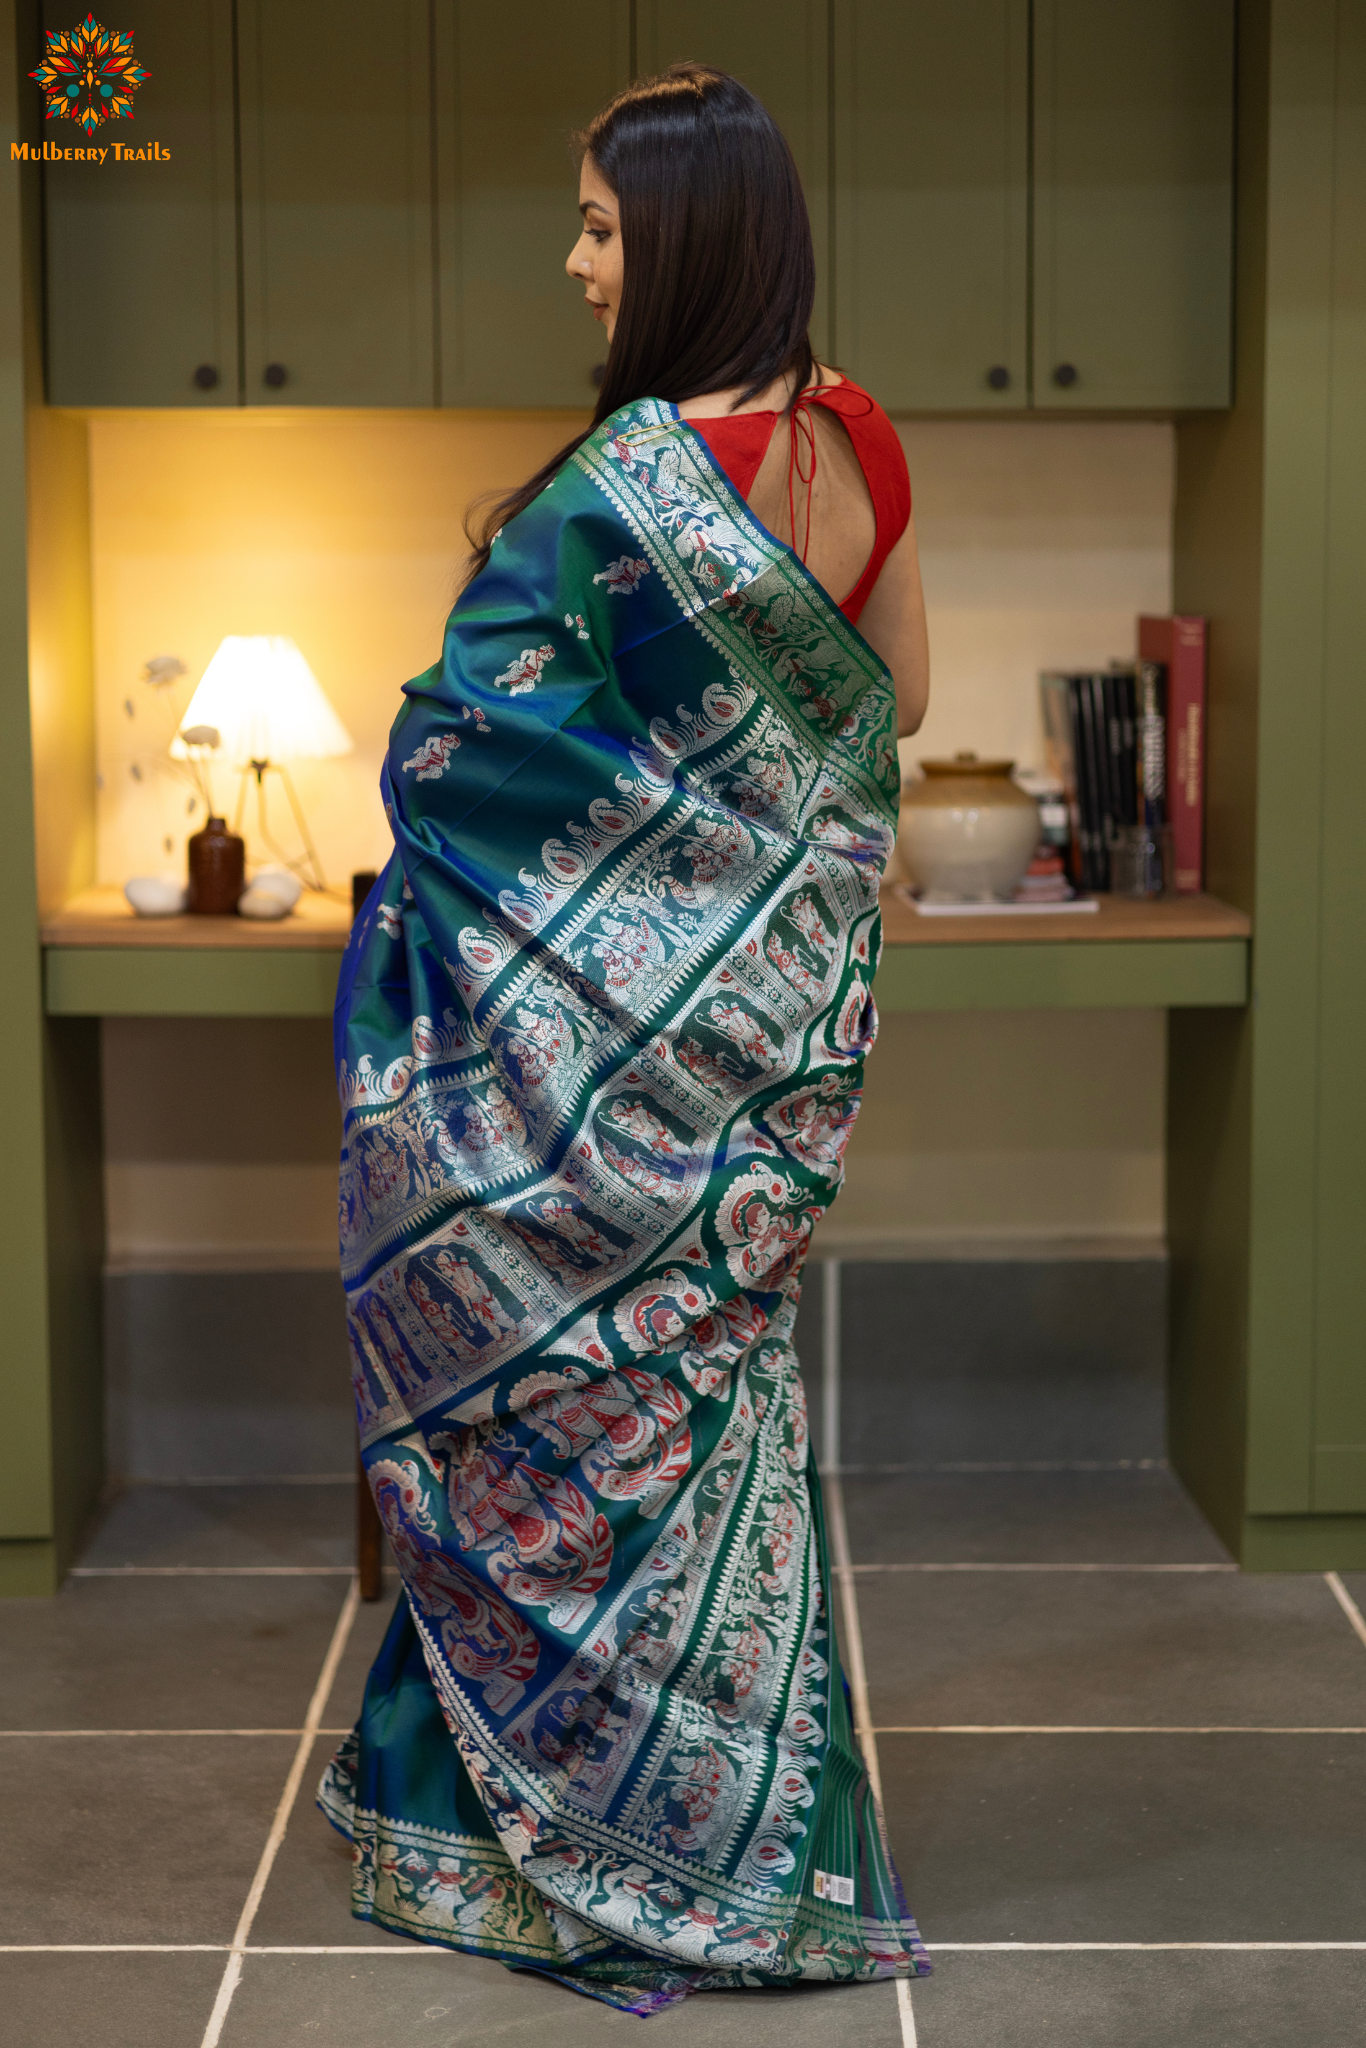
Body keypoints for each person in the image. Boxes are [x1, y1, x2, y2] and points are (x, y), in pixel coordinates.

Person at [320, 62, 931, 2015]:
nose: (576, 264)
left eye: (598, 226)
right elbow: (893, 708)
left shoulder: (616, 493)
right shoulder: (854, 441)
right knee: (697, 1412)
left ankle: (516, 1842)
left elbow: (460, 771)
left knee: (536, 1413)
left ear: (681, 241)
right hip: (754, 1061)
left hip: (563, 1086)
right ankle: (737, 1840)